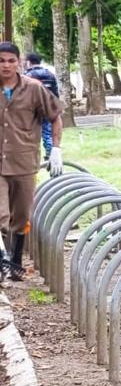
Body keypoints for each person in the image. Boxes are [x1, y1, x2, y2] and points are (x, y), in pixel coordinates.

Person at [0, 42, 63, 281]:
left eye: (10, 60)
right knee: (1, 215)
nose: (6, 65)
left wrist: (55, 148)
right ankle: (1, 260)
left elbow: (55, 116)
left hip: (24, 161)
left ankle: (15, 261)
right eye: (1, 60)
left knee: (21, 215)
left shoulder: (34, 89)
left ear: (19, 63)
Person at [24, 54, 59, 161]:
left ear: (28, 62)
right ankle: (50, 154)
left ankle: (30, 155)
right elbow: (55, 94)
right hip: (47, 108)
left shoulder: (26, 75)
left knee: (29, 134)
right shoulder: (50, 75)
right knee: (48, 133)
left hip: (31, 110)